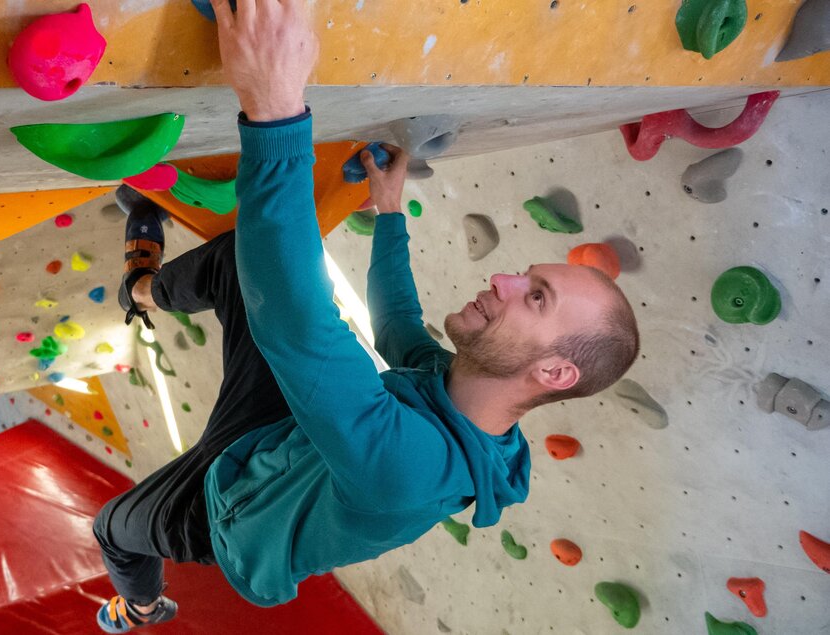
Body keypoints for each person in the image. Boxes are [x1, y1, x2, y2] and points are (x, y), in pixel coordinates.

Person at [94, 0, 640, 631]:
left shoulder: (411, 472)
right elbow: (399, 327)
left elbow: (300, 328)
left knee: (112, 529)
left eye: (535, 296)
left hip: (227, 515)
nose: (504, 278)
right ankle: (141, 292)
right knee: (240, 261)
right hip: (283, 434)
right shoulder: (468, 389)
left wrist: (274, 108)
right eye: (528, 275)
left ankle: (139, 606)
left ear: (554, 372)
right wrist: (388, 213)